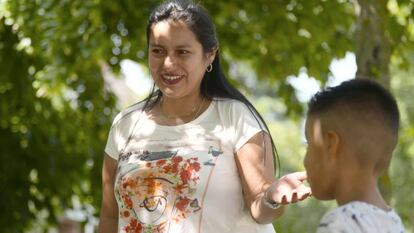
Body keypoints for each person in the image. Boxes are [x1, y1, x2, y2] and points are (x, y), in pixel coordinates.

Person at [98, 0, 311, 232]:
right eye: (158, 51)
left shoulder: (236, 118)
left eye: (183, 52)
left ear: (209, 55)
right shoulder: (125, 125)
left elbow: (261, 209)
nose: (168, 63)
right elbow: (110, 217)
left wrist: (272, 196)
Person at [303, 78, 406, 233]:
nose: (305, 162)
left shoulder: (338, 224)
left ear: (332, 144)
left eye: (309, 145)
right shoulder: (394, 222)